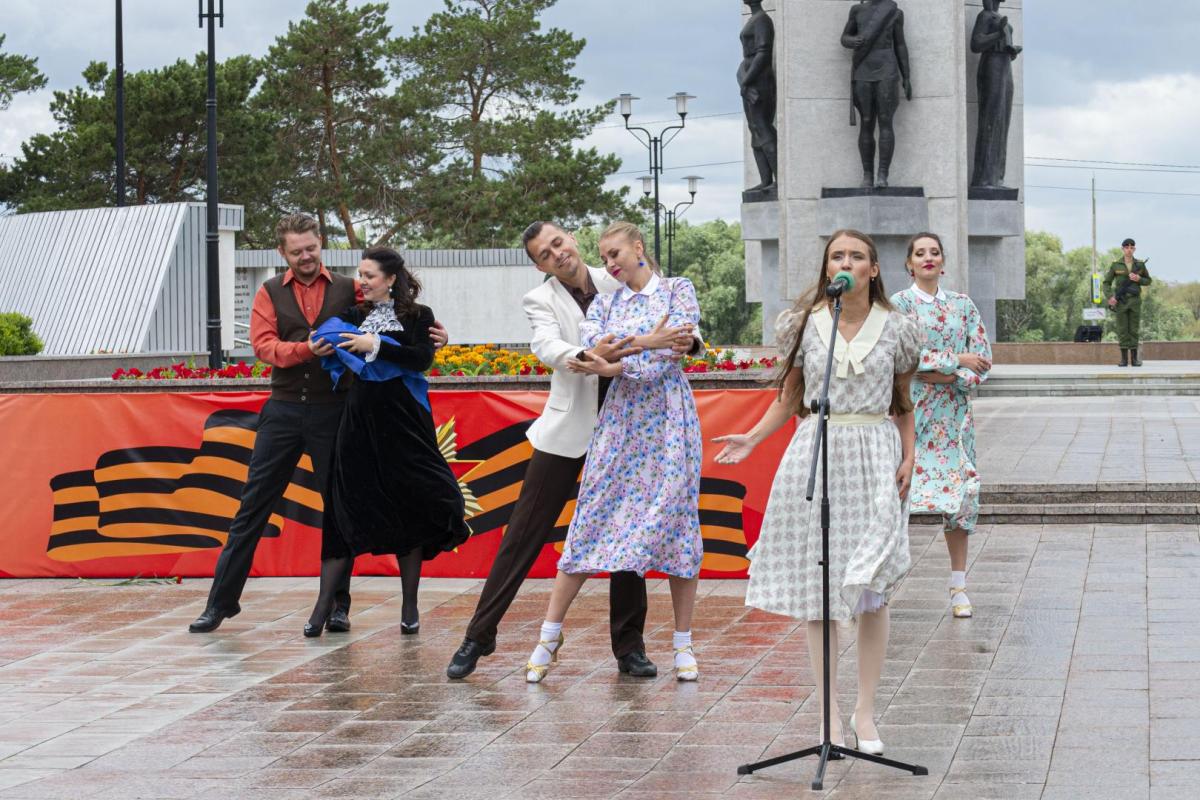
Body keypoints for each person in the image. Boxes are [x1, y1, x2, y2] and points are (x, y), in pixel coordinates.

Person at [445, 220, 699, 679]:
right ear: (539, 265)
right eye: (544, 253)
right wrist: (591, 356)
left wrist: (681, 341)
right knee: (523, 532)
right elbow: (549, 347)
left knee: (628, 532)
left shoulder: (616, 276)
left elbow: (678, 329)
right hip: (571, 427)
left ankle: (629, 647)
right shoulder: (540, 300)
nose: (556, 254)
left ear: (573, 241)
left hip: (630, 427)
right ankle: (478, 636)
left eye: (558, 243)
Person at [188, 214, 447, 634]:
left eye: (311, 248)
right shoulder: (269, 292)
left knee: (340, 507)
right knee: (253, 506)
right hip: (284, 410)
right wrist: (306, 349)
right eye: (296, 251)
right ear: (282, 253)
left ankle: (339, 606)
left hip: (337, 412)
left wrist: (436, 335)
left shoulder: (351, 287)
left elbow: (399, 319)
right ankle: (220, 603)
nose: (306, 257)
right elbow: (263, 347)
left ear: (320, 243)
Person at [713, 229, 918, 754]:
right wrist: (754, 437)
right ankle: (827, 717)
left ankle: (865, 713)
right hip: (818, 452)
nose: (845, 263)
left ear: (873, 269)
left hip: (873, 453)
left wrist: (910, 454)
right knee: (820, 589)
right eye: (836, 256)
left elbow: (902, 401)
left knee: (872, 588)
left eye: (856, 256)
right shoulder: (803, 325)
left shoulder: (898, 328)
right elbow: (791, 397)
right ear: (827, 269)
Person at [521, 221, 704, 684]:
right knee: (592, 519)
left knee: (679, 525)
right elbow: (596, 358)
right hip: (620, 424)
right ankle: (548, 635)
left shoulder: (677, 289)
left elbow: (675, 349)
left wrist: (634, 352)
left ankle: (683, 644)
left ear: (638, 246)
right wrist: (643, 346)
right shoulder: (604, 302)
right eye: (605, 258)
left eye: (616, 252)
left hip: (669, 422)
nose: (611, 263)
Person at [303, 248, 470, 637]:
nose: (362, 281)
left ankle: (410, 605)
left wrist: (375, 347)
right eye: (360, 274)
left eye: (370, 276)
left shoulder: (418, 315)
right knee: (342, 510)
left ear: (391, 279)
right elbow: (325, 333)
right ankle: (322, 607)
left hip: (405, 423)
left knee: (412, 507)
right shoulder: (353, 314)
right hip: (359, 423)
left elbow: (421, 359)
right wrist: (341, 343)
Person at [891, 232, 991, 619]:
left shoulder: (963, 306)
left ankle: (958, 584)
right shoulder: (898, 305)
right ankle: (876, 585)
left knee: (962, 498)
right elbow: (904, 356)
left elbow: (981, 359)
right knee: (896, 495)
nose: (928, 258)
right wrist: (954, 359)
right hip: (911, 415)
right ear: (909, 263)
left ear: (943, 262)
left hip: (954, 419)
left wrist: (949, 375)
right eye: (920, 253)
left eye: (934, 252)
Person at [841, 0, 912, 188]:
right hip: (863, 69)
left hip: (886, 68)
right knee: (866, 122)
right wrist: (852, 40)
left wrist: (906, 76)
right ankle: (867, 174)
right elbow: (844, 37)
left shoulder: (895, 12)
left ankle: (882, 174)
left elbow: (900, 45)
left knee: (885, 121)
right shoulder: (857, 10)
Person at [1104, 238, 1152, 367]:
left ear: (1134, 249)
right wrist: (1110, 297)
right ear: (1122, 249)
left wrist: (1139, 278)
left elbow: (1148, 280)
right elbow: (1106, 283)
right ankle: (1124, 360)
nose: (1129, 250)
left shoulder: (1140, 265)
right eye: (1126, 248)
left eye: (1131, 248)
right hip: (1121, 301)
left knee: (1134, 330)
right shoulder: (1116, 265)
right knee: (1122, 329)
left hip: (1135, 300)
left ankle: (1135, 359)